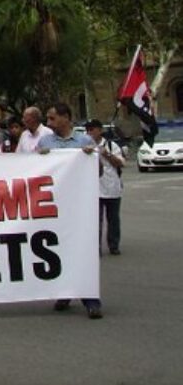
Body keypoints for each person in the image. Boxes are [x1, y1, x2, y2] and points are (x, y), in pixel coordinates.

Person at [37, 103, 103, 319]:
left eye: (52, 118)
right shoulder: (45, 142)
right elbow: (32, 173)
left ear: (66, 118)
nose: (49, 123)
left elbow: (99, 171)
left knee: (83, 250)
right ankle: (64, 292)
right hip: (55, 207)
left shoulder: (84, 141)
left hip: (79, 206)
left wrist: (90, 157)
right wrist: (39, 158)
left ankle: (90, 299)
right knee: (60, 250)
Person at [86, 119, 125, 255]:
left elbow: (120, 163)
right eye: (88, 130)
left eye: (92, 129)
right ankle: (96, 247)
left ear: (100, 130)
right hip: (94, 188)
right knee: (96, 220)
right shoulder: (86, 146)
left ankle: (113, 244)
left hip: (111, 186)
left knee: (113, 218)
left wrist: (106, 153)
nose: (90, 133)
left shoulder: (110, 145)